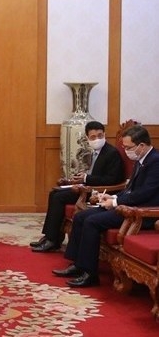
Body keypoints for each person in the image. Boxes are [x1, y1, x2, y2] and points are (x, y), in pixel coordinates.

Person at [52, 124, 159, 287]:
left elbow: (145, 194)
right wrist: (113, 196)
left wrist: (116, 202)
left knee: (92, 222)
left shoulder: (155, 162)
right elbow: (130, 189)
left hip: (140, 213)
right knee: (81, 216)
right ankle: (78, 265)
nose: (126, 150)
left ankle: (90, 274)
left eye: (128, 147)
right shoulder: (141, 158)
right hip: (128, 206)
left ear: (142, 146)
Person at [31, 121, 125, 252]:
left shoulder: (111, 153)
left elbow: (112, 179)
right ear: (87, 138)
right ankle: (50, 237)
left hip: (99, 192)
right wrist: (82, 177)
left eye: (100, 135)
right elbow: (95, 173)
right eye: (93, 137)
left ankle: (52, 240)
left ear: (105, 134)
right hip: (89, 186)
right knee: (54, 193)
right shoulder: (95, 151)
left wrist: (86, 178)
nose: (97, 139)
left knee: (59, 198)